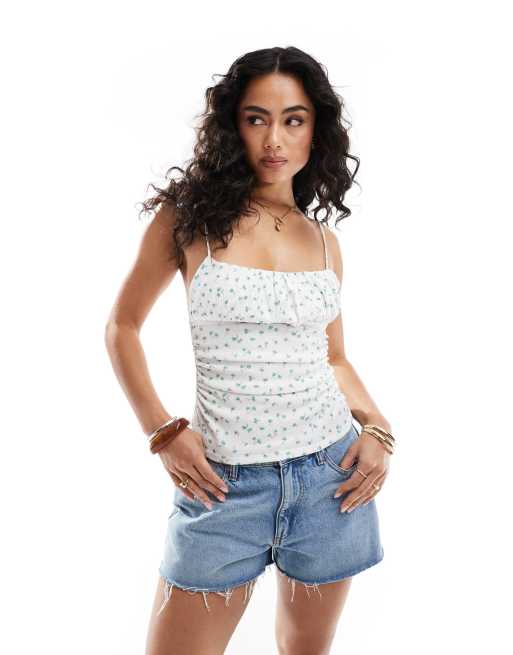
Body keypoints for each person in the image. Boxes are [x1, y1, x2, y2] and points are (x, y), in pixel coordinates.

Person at [105, 46, 394, 655]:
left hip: (329, 479)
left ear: (316, 130)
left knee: (304, 649)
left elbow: (333, 358)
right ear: (232, 125)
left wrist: (378, 426)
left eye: (293, 119)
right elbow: (123, 327)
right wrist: (161, 430)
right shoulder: (188, 220)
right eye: (256, 118)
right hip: (222, 485)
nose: (274, 138)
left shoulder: (324, 242)